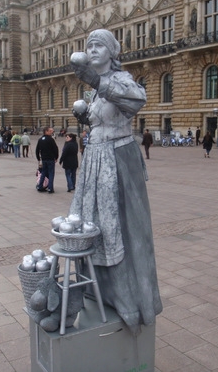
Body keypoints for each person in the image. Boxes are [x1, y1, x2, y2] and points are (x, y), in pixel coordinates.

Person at [70, 29, 162, 335]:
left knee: (120, 228)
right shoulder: (95, 91)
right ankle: (101, 292)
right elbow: (104, 118)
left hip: (116, 162)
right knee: (95, 227)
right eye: (89, 45)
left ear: (112, 51)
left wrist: (96, 81)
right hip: (95, 162)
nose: (92, 50)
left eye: (99, 45)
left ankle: (129, 301)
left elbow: (137, 99)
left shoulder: (120, 79)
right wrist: (84, 115)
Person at [35, 127, 59, 193]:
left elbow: (37, 149)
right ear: (46, 131)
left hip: (44, 159)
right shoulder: (51, 139)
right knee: (51, 173)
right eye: (50, 131)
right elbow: (55, 149)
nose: (52, 132)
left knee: (43, 173)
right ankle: (50, 188)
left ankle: (40, 186)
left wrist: (38, 157)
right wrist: (56, 157)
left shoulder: (40, 139)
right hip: (50, 159)